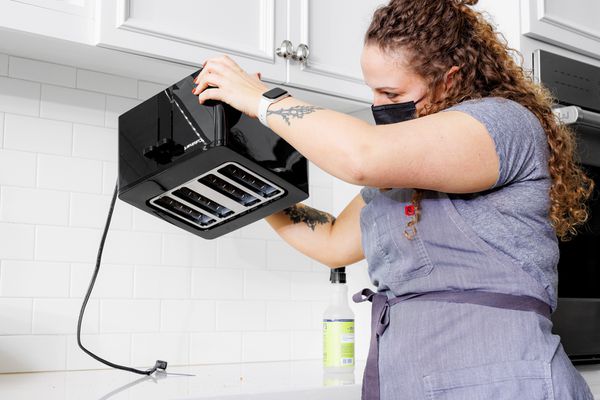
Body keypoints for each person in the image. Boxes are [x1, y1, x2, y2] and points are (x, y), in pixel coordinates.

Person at [192, 0, 596, 398]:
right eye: (373, 92)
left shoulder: (502, 123)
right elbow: (332, 241)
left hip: (507, 382)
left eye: (390, 92)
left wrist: (261, 98)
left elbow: (361, 156)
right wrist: (249, 173)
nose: (377, 106)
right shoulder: (401, 175)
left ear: (449, 79)